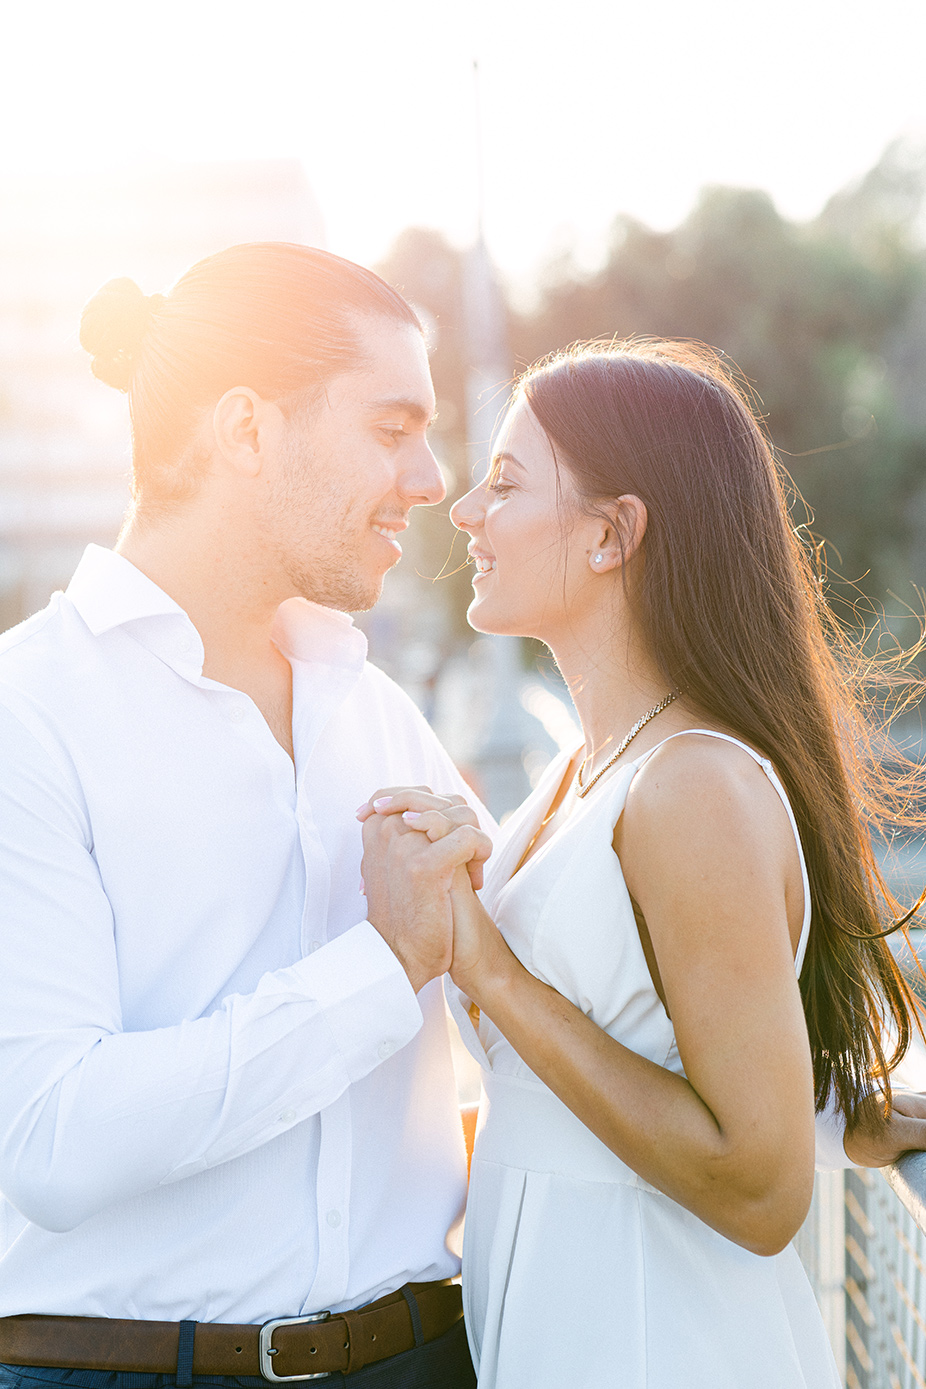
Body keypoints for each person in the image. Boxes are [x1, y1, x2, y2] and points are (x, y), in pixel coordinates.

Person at [358, 339, 926, 1387]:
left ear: (614, 534)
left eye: (508, 481)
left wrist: (488, 970)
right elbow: (648, 1049)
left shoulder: (690, 785)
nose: (467, 511)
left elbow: (758, 1194)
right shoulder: (584, 770)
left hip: (661, 1341)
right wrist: (819, 1098)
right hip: (569, 1332)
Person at [0, 243, 494, 1389]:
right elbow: (53, 1140)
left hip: (420, 1360)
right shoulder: (27, 716)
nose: (428, 480)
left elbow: (544, 988)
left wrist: (830, 1101)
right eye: (389, 428)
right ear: (246, 430)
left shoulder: (374, 711)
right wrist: (384, 968)